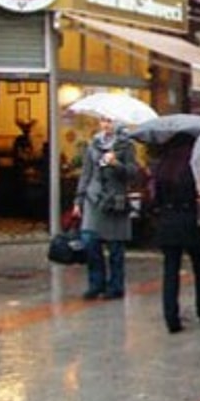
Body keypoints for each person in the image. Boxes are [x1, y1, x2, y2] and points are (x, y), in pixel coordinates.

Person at [150, 135, 200, 334]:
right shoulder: (194, 168)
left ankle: (171, 317)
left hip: (168, 222)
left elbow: (155, 200)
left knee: (170, 271)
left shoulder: (161, 168)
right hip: (191, 222)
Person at [73, 116, 138, 300]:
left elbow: (133, 173)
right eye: (102, 121)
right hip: (93, 199)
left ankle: (116, 286)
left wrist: (117, 164)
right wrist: (78, 200)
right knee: (90, 241)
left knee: (115, 247)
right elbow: (86, 173)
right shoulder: (93, 144)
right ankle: (96, 284)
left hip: (114, 200)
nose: (106, 125)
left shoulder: (126, 146)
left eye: (109, 121)